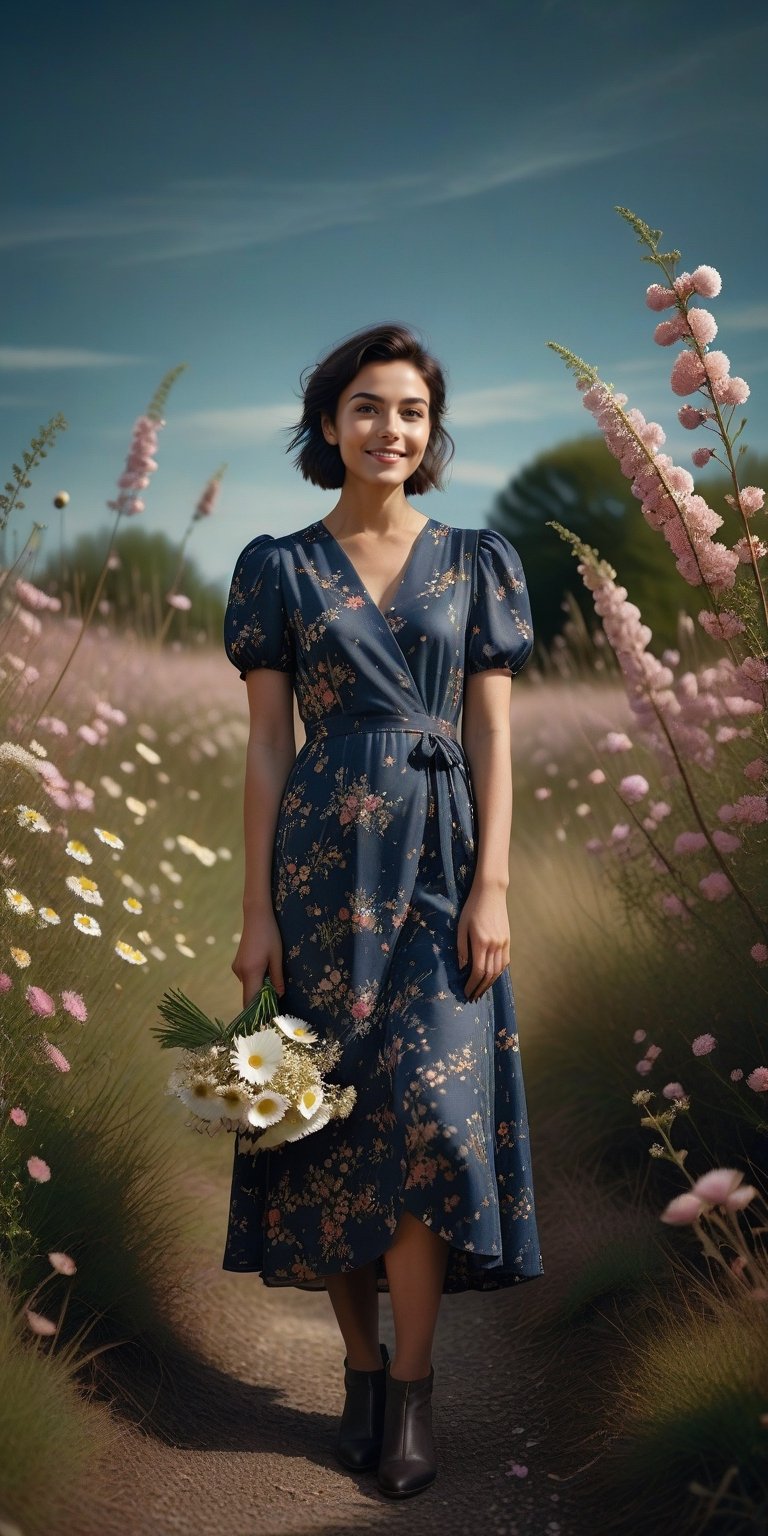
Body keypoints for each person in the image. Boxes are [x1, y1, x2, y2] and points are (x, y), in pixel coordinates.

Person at [222, 322, 544, 1498]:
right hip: (316, 869)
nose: (389, 429)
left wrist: (494, 884)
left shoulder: (480, 560)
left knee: (427, 1122)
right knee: (326, 1125)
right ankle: (357, 1369)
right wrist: (254, 908)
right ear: (329, 424)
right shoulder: (276, 567)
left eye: (410, 411)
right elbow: (265, 748)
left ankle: (412, 1391)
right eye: (367, 407)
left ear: (430, 430)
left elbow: (495, 736)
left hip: (443, 865)